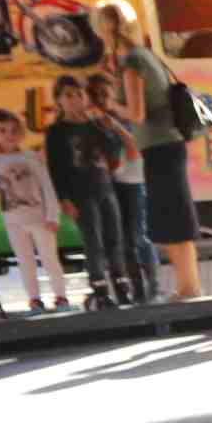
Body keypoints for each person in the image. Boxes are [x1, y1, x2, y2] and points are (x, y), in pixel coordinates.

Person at [93, 0, 202, 300]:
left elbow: (136, 113)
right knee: (176, 216)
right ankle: (188, 285)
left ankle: (189, 288)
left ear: (104, 29)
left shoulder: (132, 62)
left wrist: (112, 105)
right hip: (169, 144)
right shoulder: (146, 55)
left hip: (159, 146)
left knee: (172, 218)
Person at [50, 75, 128, 310]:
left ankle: (122, 287)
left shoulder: (95, 125)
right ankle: (100, 290)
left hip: (105, 188)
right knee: (93, 241)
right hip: (80, 194)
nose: (75, 99)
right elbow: (56, 167)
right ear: (59, 100)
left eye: (79, 94)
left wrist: (106, 129)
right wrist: (64, 198)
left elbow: (113, 153)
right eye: (68, 95)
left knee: (115, 238)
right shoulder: (57, 131)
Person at [0, 109, 69, 314]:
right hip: (13, 220)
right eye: (2, 130)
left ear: (21, 132)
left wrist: (52, 215)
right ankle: (34, 300)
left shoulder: (31, 157)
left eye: (14, 130)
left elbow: (47, 186)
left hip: (39, 217)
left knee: (49, 258)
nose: (9, 135)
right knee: (25, 260)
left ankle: (61, 297)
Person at [89, 72, 155, 305]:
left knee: (136, 236)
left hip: (133, 182)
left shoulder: (125, 116)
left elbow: (135, 149)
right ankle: (134, 289)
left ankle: (151, 285)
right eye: (95, 95)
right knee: (119, 239)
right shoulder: (94, 122)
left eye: (104, 94)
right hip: (110, 184)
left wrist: (115, 126)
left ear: (114, 93)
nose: (101, 99)